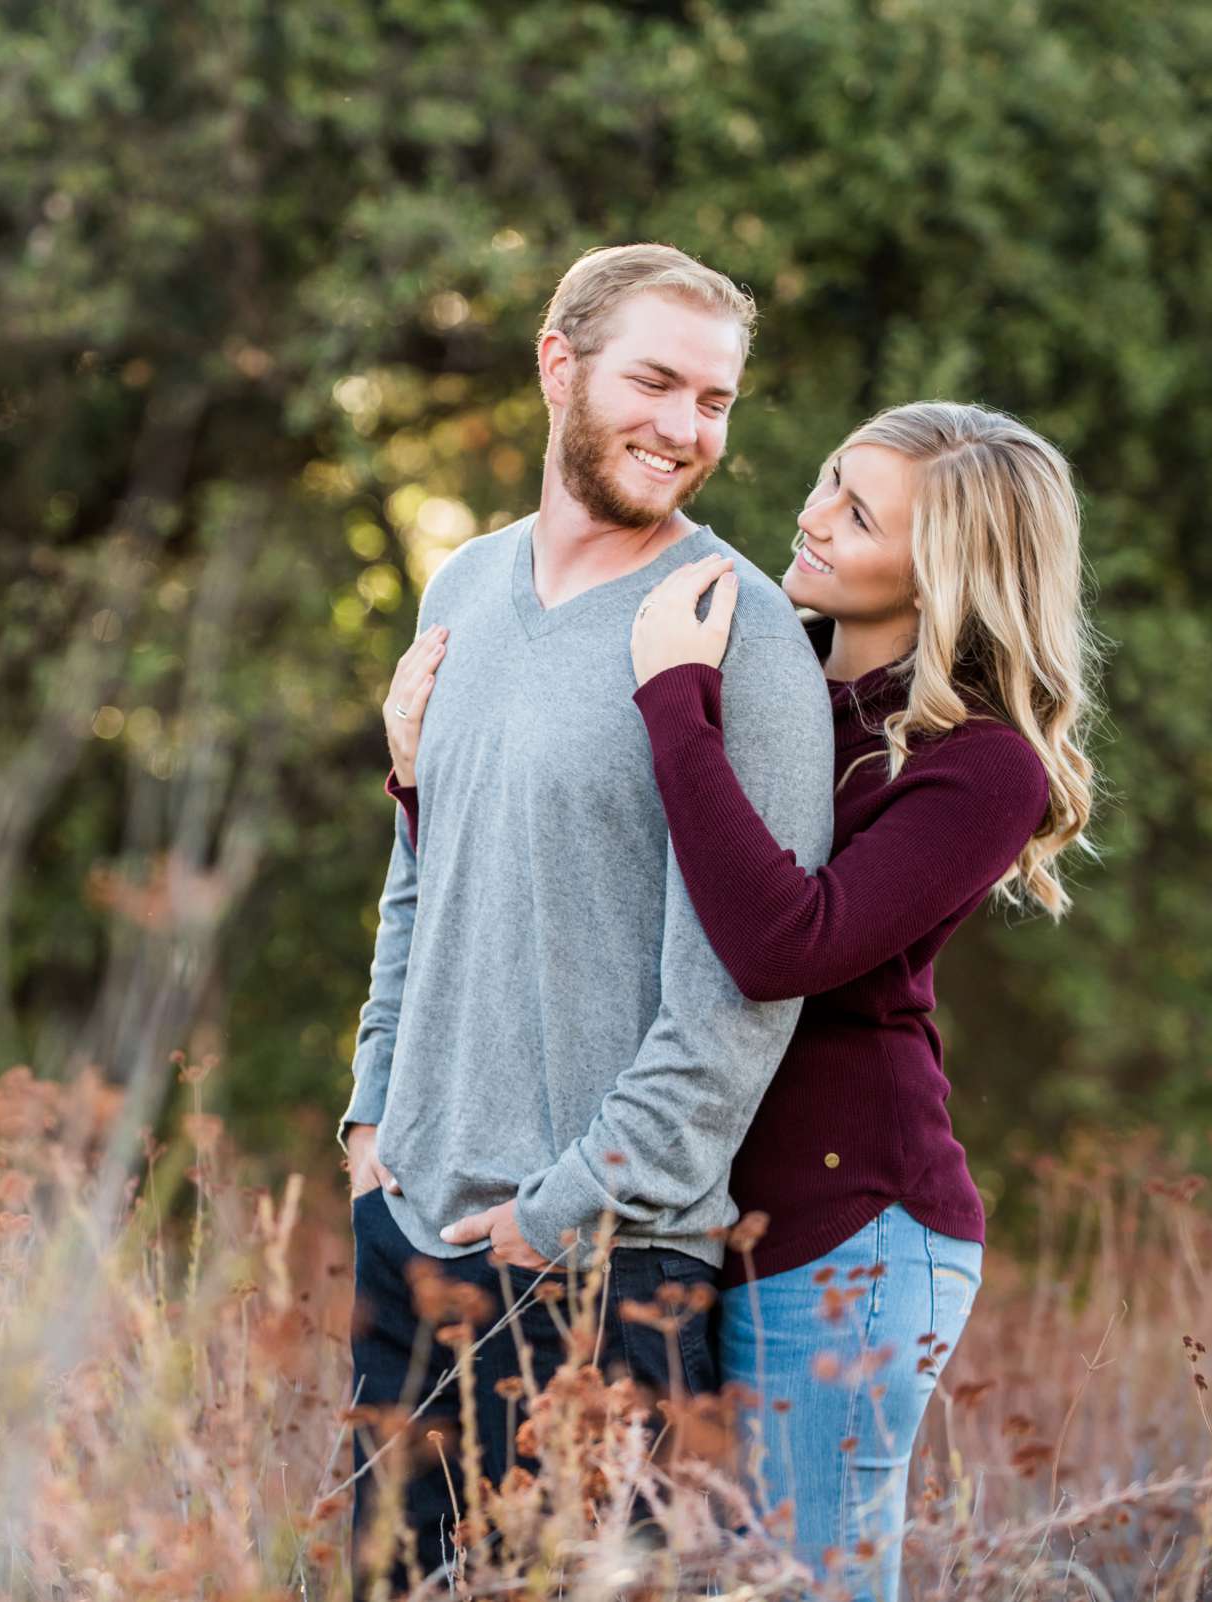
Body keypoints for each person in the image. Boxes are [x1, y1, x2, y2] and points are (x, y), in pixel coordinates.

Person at [382, 400, 1099, 1600]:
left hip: (846, 1238)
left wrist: (673, 700)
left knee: (801, 1583)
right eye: (829, 477)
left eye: (859, 515)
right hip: (684, 1209)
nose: (812, 517)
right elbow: (597, 885)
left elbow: (780, 945)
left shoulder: (980, 765)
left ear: (944, 572)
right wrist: (418, 781)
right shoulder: (781, 679)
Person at [341, 242, 835, 1584]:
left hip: (606, 1273)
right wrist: (371, 1121)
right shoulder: (462, 588)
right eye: (657, 382)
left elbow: (745, 993)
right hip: (412, 1233)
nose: (685, 428)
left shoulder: (739, 632)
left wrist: (557, 1211)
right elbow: (420, 871)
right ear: (559, 365)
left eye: (716, 400)